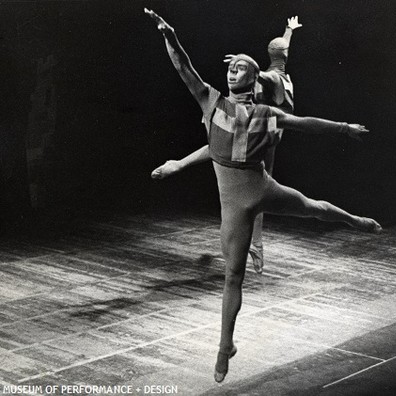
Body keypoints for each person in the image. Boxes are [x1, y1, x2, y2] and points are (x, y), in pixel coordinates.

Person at [144, 8, 382, 383]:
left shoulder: (267, 111)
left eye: (240, 68)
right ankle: (225, 346)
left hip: (262, 187)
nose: (232, 71)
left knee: (314, 208)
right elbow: (184, 68)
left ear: (255, 78)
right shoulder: (212, 103)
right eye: (230, 67)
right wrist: (169, 36)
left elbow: (304, 123)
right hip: (237, 205)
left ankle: (355, 220)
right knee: (232, 276)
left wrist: (343, 127)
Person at [151, 16, 303, 274]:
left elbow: (267, 71)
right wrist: (289, 30)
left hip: (268, 128)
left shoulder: (272, 77)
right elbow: (280, 51)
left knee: (253, 180)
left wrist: (246, 61)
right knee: (235, 161)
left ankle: (255, 245)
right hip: (265, 125)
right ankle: (255, 245)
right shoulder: (279, 67)